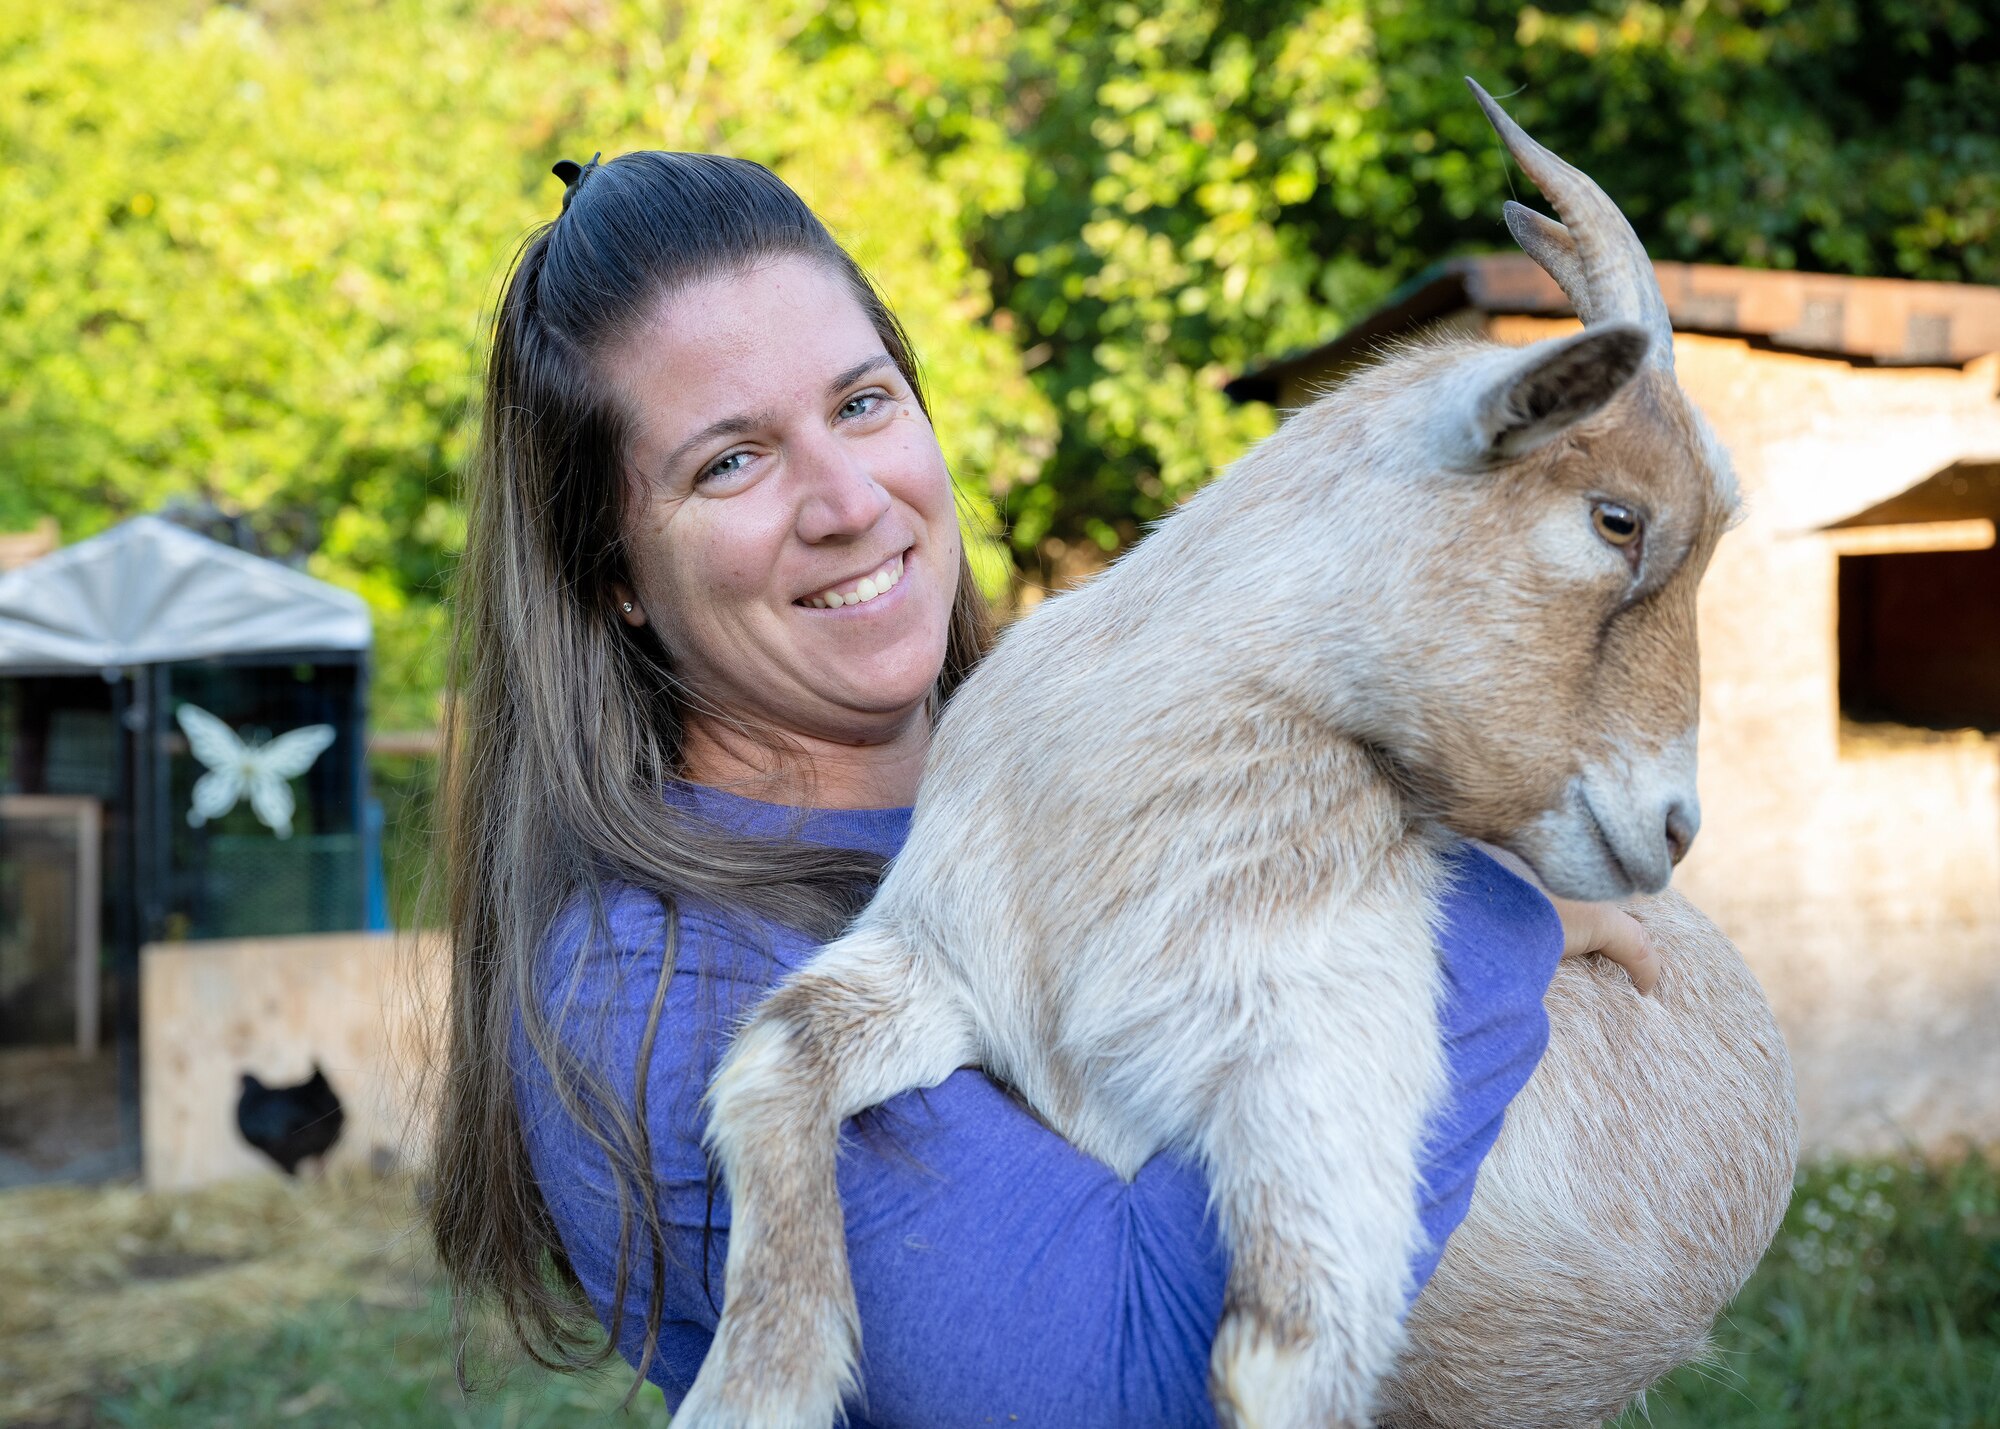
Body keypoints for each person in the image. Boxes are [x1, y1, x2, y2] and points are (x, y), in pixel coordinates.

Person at [427, 150, 1660, 1425]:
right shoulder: (669, 978)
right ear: (613, 575)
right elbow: (1117, 1383)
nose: (849, 501)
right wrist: (1484, 926)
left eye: (861, 403)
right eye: (729, 463)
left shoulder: (1067, 797)